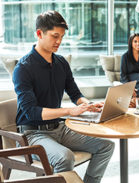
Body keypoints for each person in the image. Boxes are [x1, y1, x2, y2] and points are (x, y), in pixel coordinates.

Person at [12, 11, 114, 183]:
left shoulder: (61, 63)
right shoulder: (23, 68)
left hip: (59, 128)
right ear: (39, 33)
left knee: (106, 146)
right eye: (55, 36)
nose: (59, 41)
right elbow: (31, 112)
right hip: (32, 134)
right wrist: (70, 111)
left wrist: (89, 105)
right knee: (64, 157)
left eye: (62, 36)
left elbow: (75, 93)